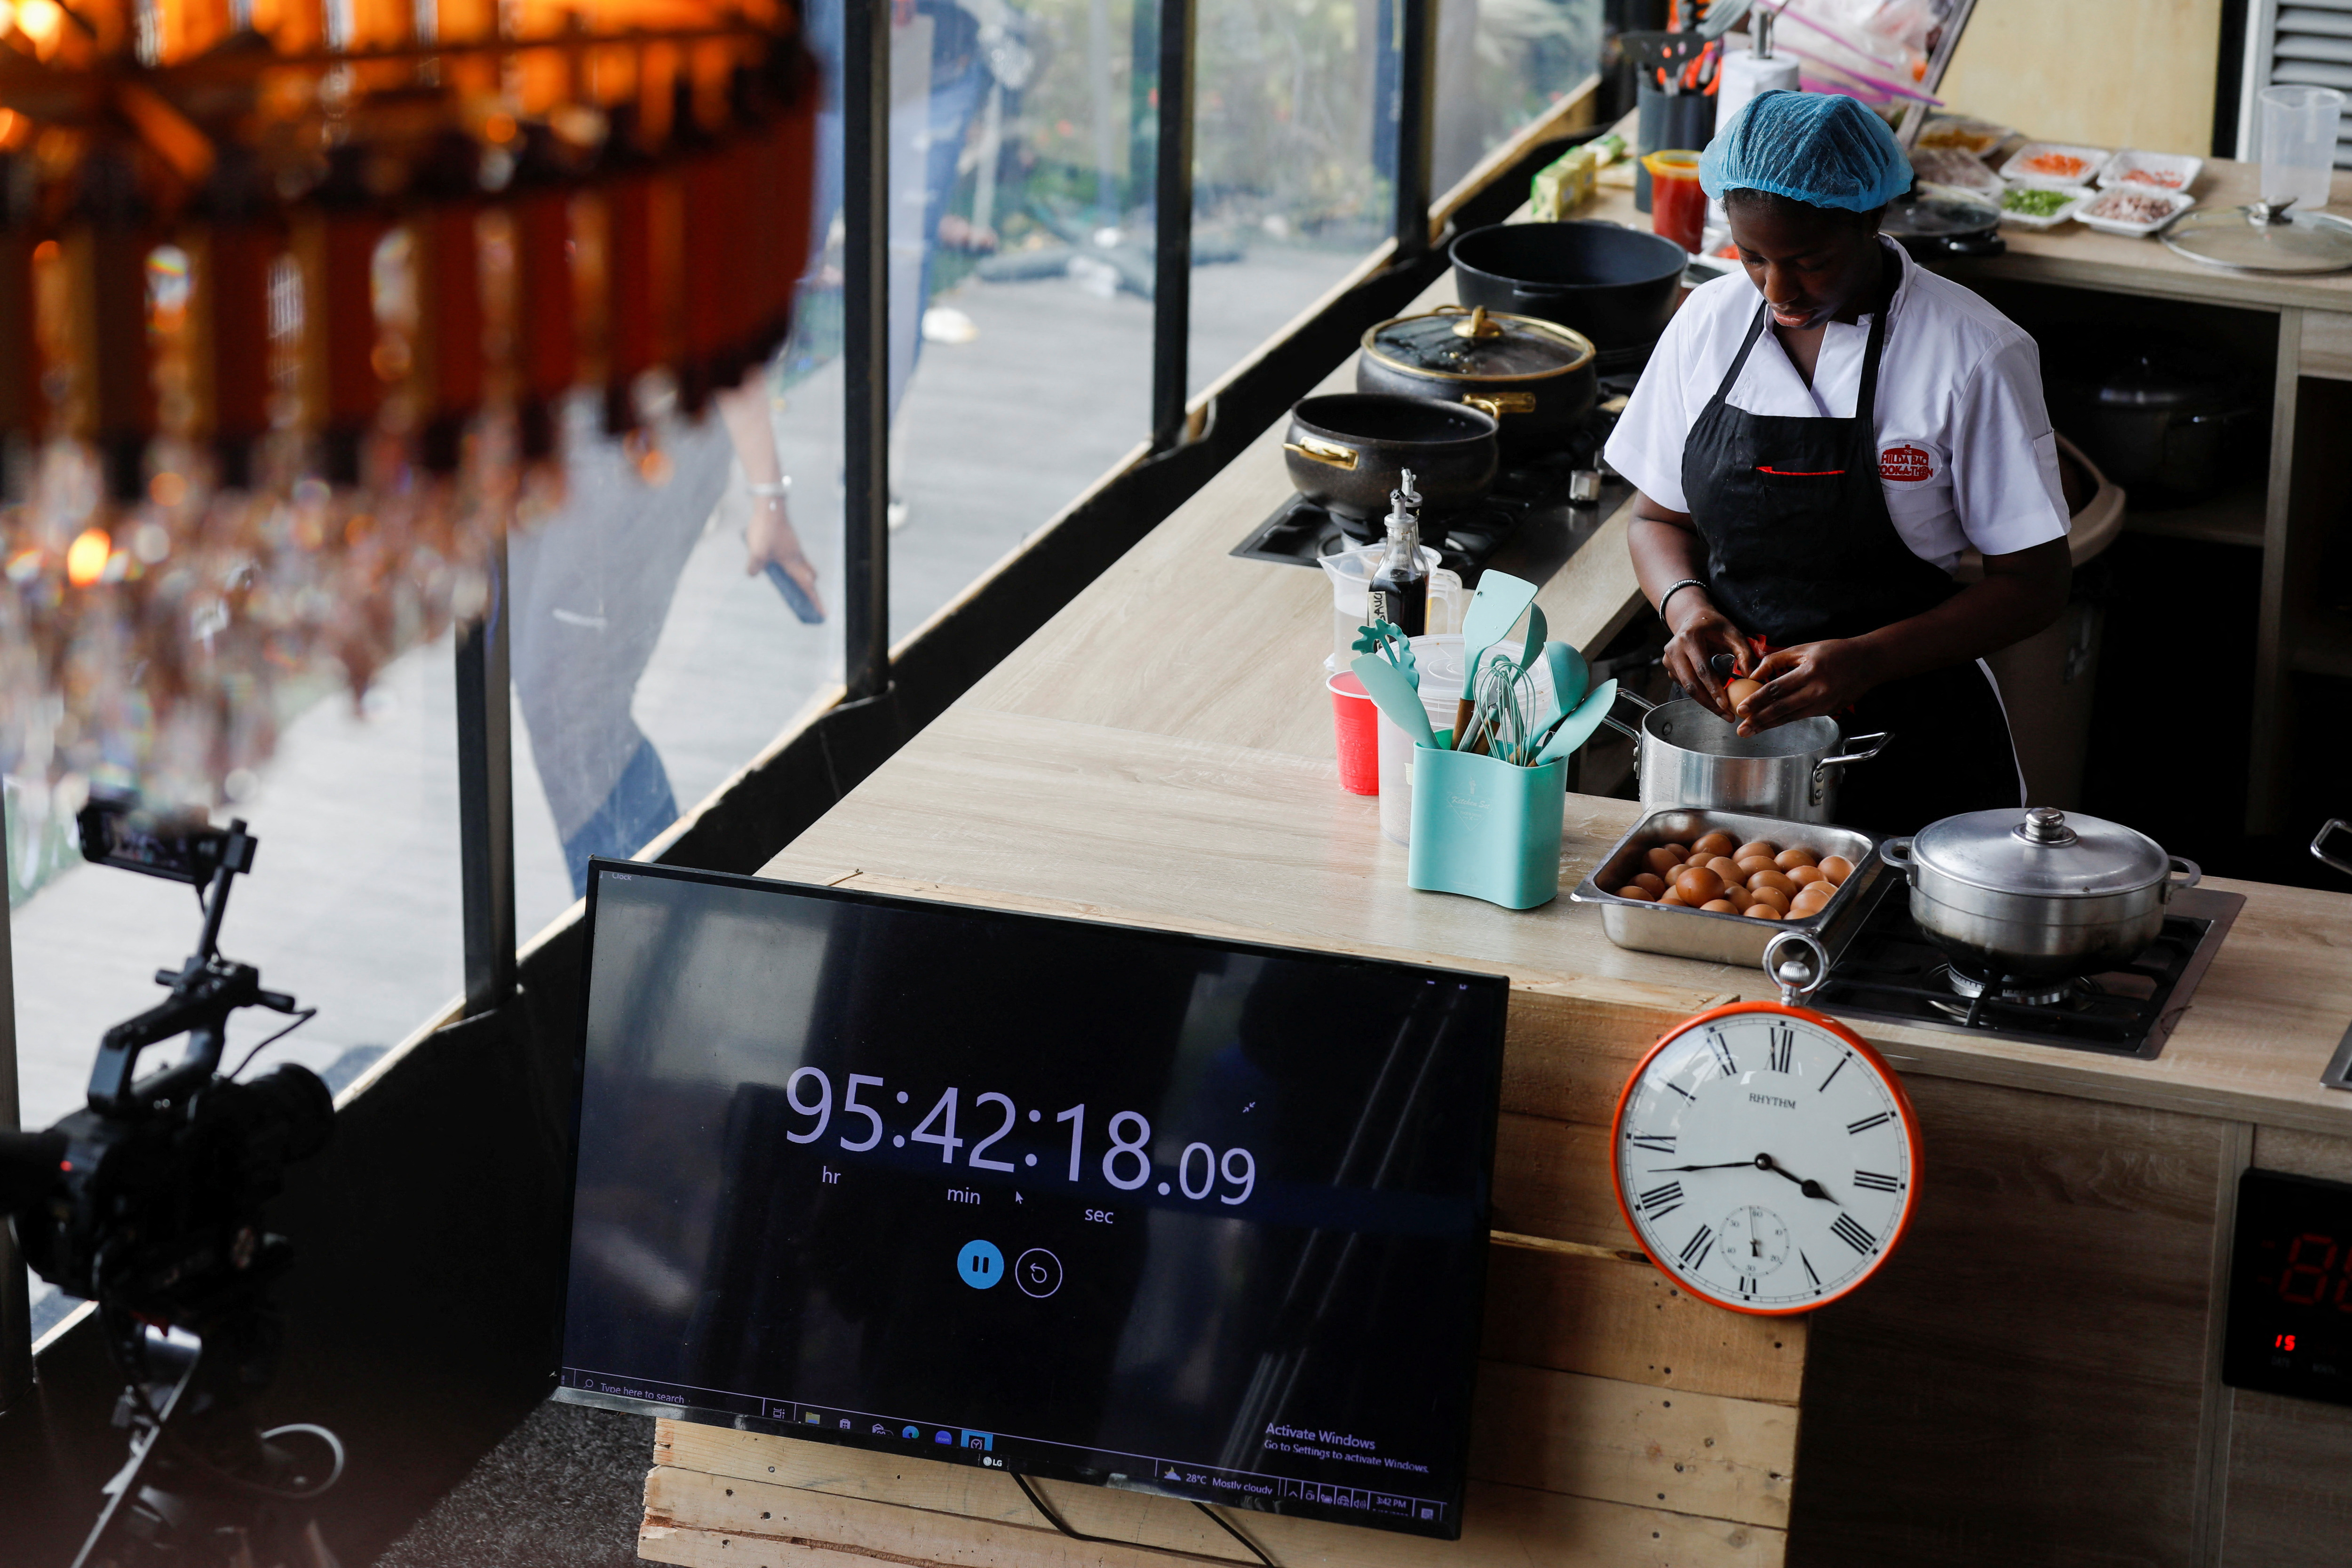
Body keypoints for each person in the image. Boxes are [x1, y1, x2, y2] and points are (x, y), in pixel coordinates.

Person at [1603, 90, 2073, 835]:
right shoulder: (1708, 324)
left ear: (1872, 220)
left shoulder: (1972, 353)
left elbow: (2036, 587)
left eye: (1810, 261)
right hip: (1740, 740)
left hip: (1919, 737)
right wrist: (1686, 606)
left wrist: (1863, 661)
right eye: (1752, 257)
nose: (1779, 292)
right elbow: (1656, 517)